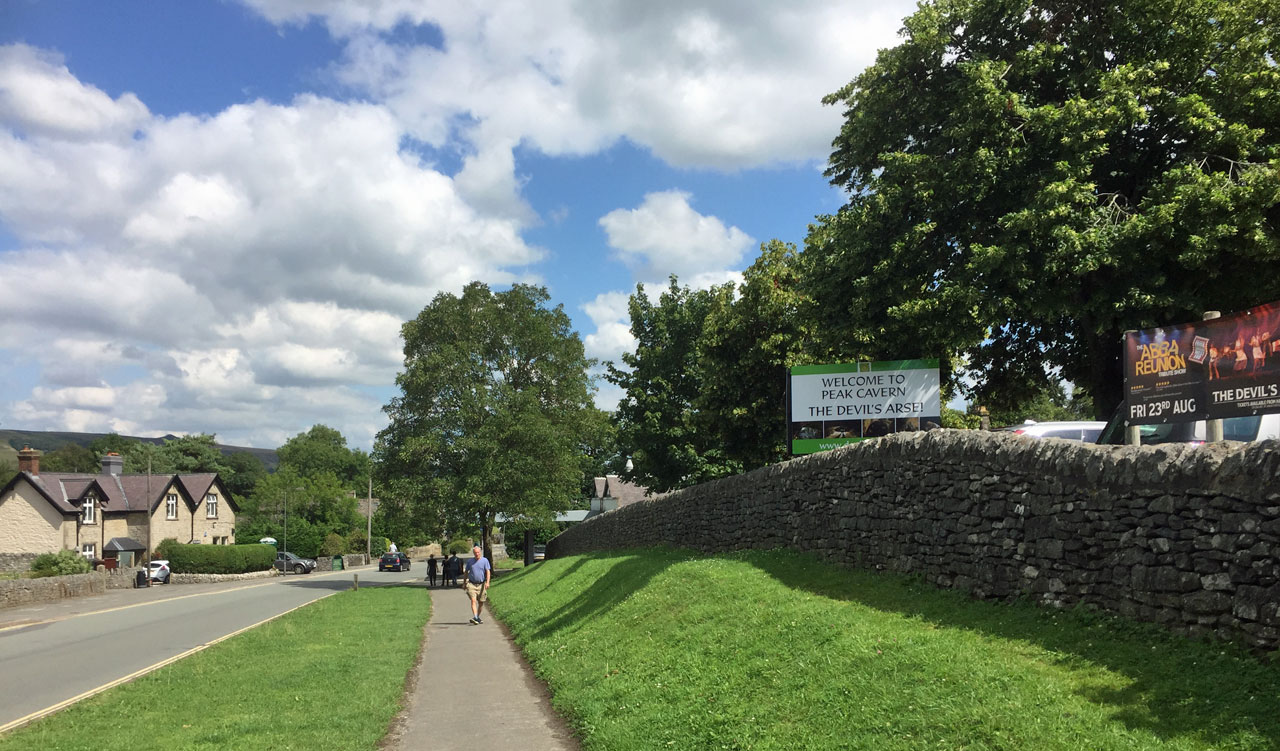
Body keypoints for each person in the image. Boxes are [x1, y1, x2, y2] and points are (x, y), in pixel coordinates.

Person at [463, 545, 491, 625]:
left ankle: (477, 617)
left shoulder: (485, 561)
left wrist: (488, 582)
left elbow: (488, 572)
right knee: (473, 600)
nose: (477, 554)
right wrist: (464, 583)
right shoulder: (470, 561)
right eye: (475, 553)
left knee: (481, 602)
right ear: (473, 553)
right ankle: (475, 617)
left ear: (480, 552)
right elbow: (466, 572)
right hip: (471, 584)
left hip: (481, 584)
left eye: (478, 552)